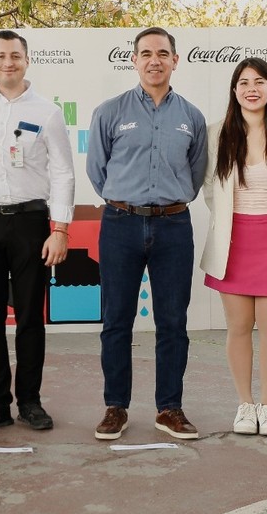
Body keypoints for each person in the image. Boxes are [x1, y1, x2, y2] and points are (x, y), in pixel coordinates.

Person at [86, 26, 207, 441]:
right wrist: (126, 201)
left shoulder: (191, 117)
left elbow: (197, 170)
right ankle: (115, 407)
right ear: (134, 60)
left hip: (174, 225)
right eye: (145, 53)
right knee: (116, 320)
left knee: (173, 322)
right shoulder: (110, 112)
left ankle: (169, 408)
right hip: (120, 224)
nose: (154, 60)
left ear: (175, 60)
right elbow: (97, 171)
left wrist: (171, 201)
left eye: (162, 53)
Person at [0, 31, 75, 435]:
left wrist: (59, 229)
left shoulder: (48, 111)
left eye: (15, 55)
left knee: (29, 319)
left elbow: (62, 172)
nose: (8, 62)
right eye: (0, 55)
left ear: (27, 60)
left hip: (31, 223)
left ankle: (30, 402)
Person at [200, 58, 267, 438]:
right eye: (243, 82)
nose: (251, 88)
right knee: (239, 327)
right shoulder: (217, 133)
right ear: (234, 91)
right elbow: (210, 186)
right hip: (233, 240)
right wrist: (229, 220)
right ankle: (245, 404)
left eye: (259, 81)